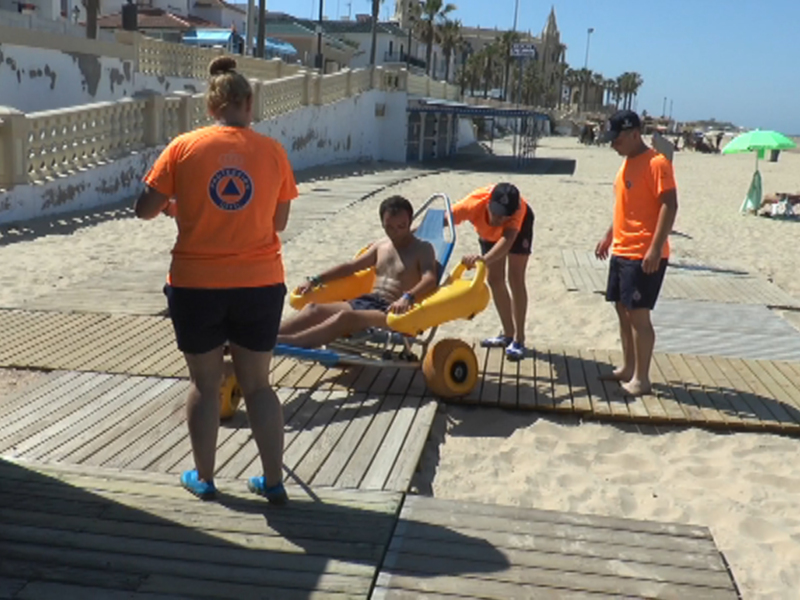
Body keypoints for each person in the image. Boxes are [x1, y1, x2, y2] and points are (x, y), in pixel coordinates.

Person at [134, 57, 296, 505]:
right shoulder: (273, 151)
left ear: (211, 106)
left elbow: (144, 208)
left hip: (196, 283)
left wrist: (178, 206)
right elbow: (277, 222)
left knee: (205, 385)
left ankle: (204, 478)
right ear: (248, 102)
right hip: (260, 281)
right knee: (259, 385)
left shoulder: (184, 146)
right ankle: (273, 481)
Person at [278, 196, 438, 349]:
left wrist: (407, 297)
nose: (396, 232)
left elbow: (430, 278)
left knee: (344, 318)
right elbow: (351, 267)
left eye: (401, 226)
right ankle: (270, 336)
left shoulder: (422, 249)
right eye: (390, 227)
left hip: (393, 312)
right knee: (313, 309)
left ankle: (293, 342)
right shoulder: (381, 245)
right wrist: (315, 280)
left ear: (410, 222)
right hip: (367, 301)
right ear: (382, 224)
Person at [595, 109, 678, 396]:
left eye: (616, 139)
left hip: (644, 252)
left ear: (633, 134)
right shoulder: (626, 164)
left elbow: (670, 205)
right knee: (622, 310)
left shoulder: (657, 163)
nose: (612, 144)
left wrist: (655, 248)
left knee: (638, 317)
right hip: (622, 249)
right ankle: (628, 367)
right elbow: (626, 206)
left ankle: (642, 379)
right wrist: (609, 234)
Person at [449, 183, 534, 361]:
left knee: (515, 279)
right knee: (495, 280)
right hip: (486, 231)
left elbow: (507, 241)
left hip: (519, 228)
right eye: (494, 212)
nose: (497, 218)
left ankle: (519, 339)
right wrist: (411, 233)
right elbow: (443, 220)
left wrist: (483, 260)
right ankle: (508, 334)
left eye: (503, 215)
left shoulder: (517, 212)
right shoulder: (473, 204)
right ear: (488, 202)